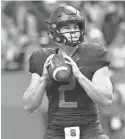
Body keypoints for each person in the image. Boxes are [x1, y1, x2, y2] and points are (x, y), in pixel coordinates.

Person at [22, 5, 113, 139]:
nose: (73, 32)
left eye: (76, 27)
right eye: (67, 28)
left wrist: (79, 76)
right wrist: (43, 80)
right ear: (55, 31)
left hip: (89, 129)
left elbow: (106, 100)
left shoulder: (95, 53)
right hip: (56, 130)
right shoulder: (42, 58)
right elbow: (28, 106)